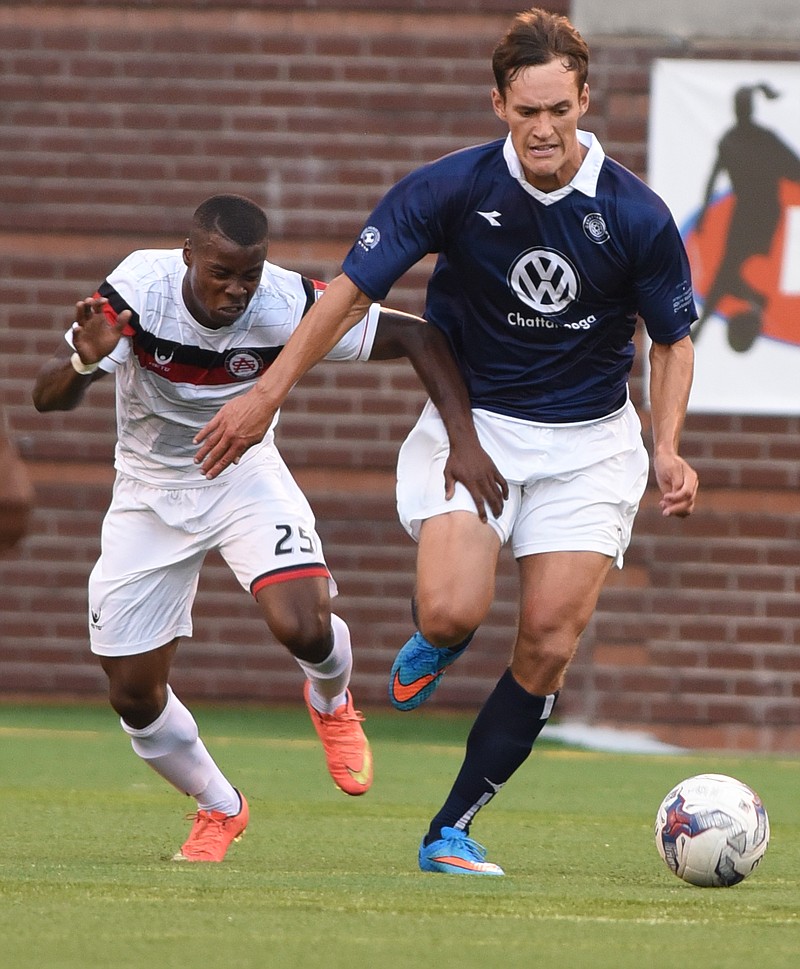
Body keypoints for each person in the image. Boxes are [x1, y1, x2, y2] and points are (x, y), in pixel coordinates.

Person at [193, 8, 699, 877]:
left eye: (559, 110)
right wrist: (262, 398)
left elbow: (673, 339)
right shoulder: (451, 189)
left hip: (589, 444)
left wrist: (668, 445)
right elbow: (348, 294)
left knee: (546, 639)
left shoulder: (636, 214)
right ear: (498, 102)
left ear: (585, 100)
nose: (543, 128)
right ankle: (442, 636)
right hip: (480, 429)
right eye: (525, 109)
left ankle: (450, 827)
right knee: (452, 609)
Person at [32, 193, 505, 864]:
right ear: (188, 255)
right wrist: (83, 363)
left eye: (247, 274)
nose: (234, 290)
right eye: (219, 272)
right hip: (148, 493)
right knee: (133, 694)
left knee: (304, 623)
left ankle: (332, 699)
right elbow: (45, 397)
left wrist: (463, 439)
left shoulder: (285, 301)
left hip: (244, 475)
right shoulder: (137, 290)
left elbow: (417, 335)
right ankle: (220, 807)